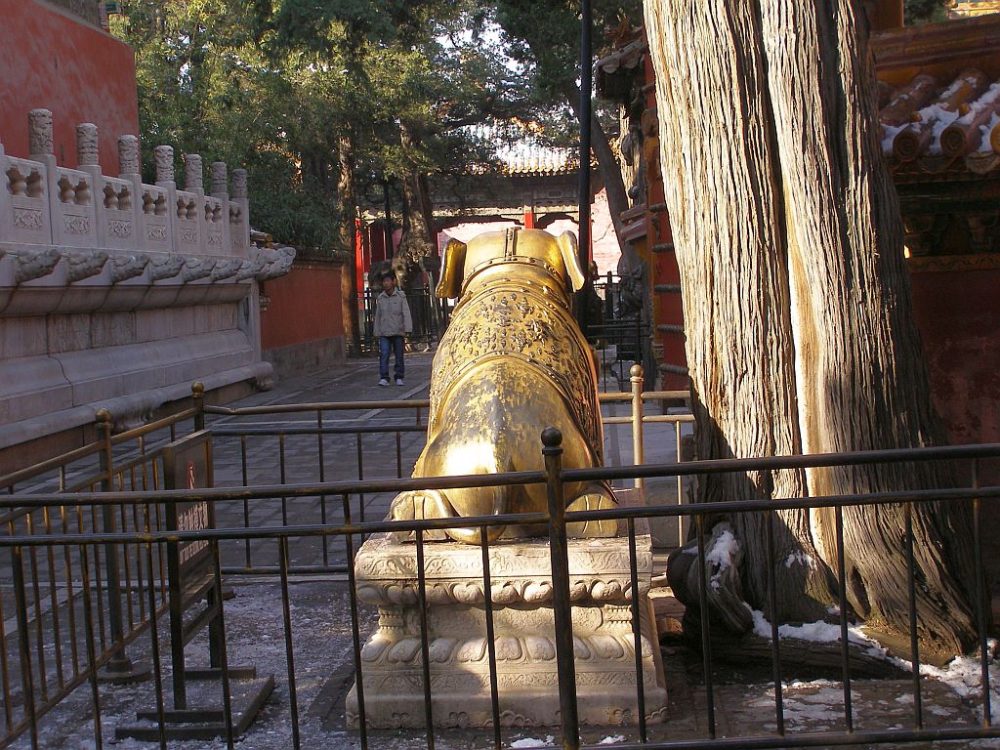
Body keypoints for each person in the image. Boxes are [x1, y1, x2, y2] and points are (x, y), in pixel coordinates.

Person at [373, 272, 412, 386]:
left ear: (393, 282)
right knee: (384, 354)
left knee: (399, 355)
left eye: (388, 281)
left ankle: (399, 376)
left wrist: (407, 328)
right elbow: (378, 316)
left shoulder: (400, 297)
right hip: (384, 331)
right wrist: (377, 331)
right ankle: (384, 377)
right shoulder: (381, 298)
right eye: (384, 281)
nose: (386, 283)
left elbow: (406, 312)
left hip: (398, 330)